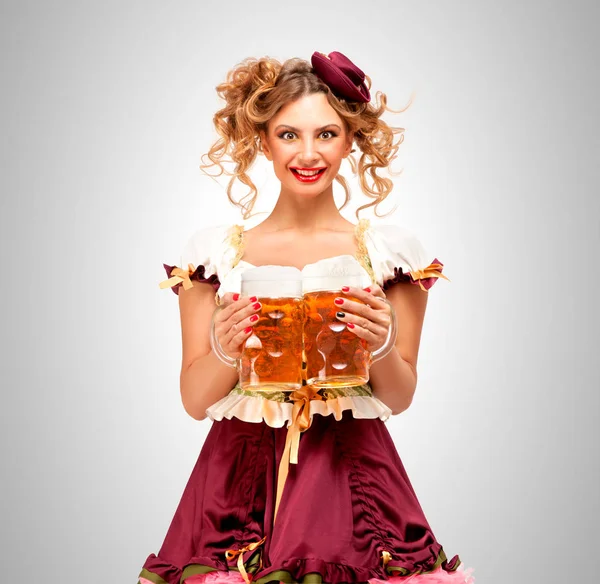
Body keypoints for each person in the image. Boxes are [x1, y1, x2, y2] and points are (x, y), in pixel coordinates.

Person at [139, 51, 475, 584]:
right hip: (234, 484)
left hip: (349, 478)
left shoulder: (389, 254)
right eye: (289, 134)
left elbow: (401, 396)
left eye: (327, 134)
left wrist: (382, 342)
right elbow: (194, 399)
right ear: (264, 141)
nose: (309, 153)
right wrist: (226, 351)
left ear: (350, 140)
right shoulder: (216, 255)